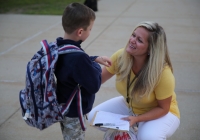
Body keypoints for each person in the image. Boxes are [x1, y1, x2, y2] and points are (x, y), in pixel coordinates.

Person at [88, 21, 180, 140]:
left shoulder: (162, 73)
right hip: (131, 105)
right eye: (133, 35)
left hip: (160, 112)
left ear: (150, 50)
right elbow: (97, 80)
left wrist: (137, 119)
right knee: (93, 117)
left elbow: (164, 108)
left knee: (148, 137)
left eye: (139, 40)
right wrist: (87, 63)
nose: (132, 40)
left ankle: (140, 130)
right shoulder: (121, 56)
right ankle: (132, 131)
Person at [55, 3, 111, 140]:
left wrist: (93, 59)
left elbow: (73, 64)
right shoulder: (79, 58)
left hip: (64, 106)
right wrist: (95, 66)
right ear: (80, 32)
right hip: (74, 111)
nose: (90, 32)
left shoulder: (59, 47)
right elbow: (94, 85)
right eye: (90, 29)